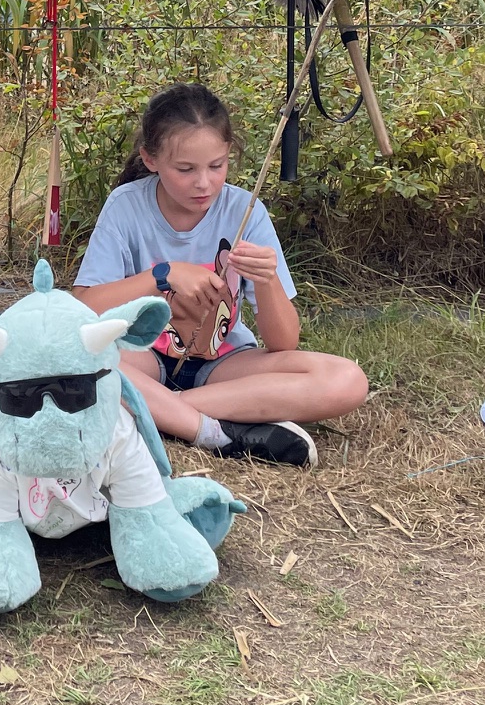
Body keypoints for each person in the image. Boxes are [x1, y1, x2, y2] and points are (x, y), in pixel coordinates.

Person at [72, 82, 367, 468]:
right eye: (185, 169)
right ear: (150, 159)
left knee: (347, 380)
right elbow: (82, 310)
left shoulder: (246, 210)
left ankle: (164, 413)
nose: (204, 183)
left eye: (217, 166)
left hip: (224, 365)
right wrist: (163, 274)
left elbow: (284, 343)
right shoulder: (127, 206)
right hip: (142, 359)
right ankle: (215, 430)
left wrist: (267, 278)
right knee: (78, 358)